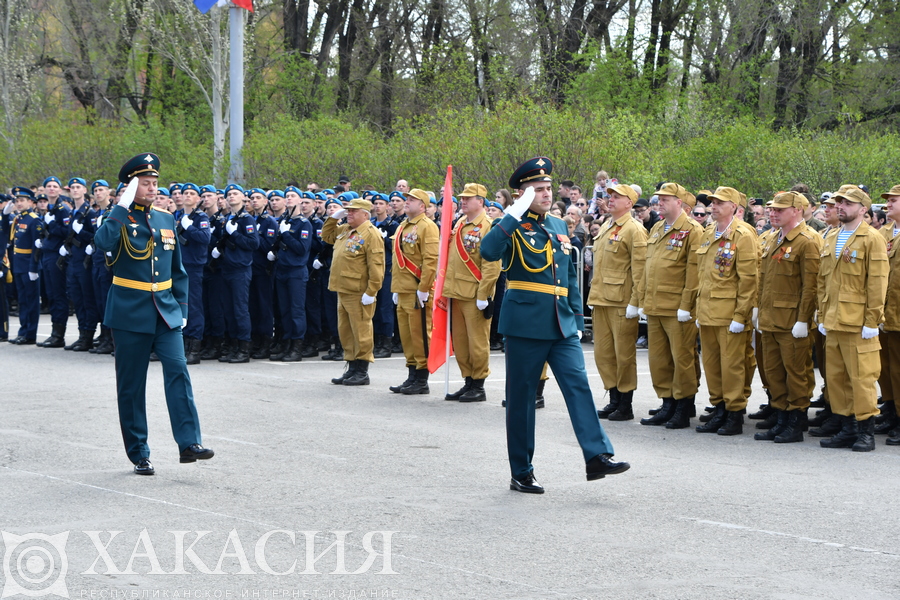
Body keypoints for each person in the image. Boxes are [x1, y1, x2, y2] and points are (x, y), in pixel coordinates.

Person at [480, 157, 629, 494]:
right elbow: (488, 252)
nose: (546, 194)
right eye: (538, 190)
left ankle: (597, 455)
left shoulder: (560, 226)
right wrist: (512, 214)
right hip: (525, 324)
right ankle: (522, 470)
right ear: (521, 194)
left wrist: (576, 319)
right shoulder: (509, 225)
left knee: (579, 387)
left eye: (548, 189)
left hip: (561, 324)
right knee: (521, 401)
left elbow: (569, 280)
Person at [94, 153, 213, 476]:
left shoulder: (164, 218)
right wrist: (120, 206)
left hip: (166, 310)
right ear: (131, 187)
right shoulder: (116, 218)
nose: (152, 188)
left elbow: (178, 270)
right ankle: (139, 452)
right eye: (145, 184)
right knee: (131, 386)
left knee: (178, 372)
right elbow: (101, 243)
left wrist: (183, 307)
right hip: (130, 311)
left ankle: (189, 442)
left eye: (154, 183)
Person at [817, 185, 888, 452]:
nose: (840, 207)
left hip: (858, 321)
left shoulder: (871, 238)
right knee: (836, 378)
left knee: (862, 378)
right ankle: (847, 428)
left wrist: (872, 321)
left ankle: (866, 431)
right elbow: (823, 280)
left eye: (847, 203)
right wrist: (822, 315)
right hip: (834, 319)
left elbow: (878, 283)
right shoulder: (832, 236)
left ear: (862, 209)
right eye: (838, 203)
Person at [753, 192, 822, 443]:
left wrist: (804, 319)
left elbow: (810, 286)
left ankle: (795, 419)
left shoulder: (807, 241)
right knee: (773, 372)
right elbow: (765, 279)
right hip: (771, 318)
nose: (773, 213)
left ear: (797, 210)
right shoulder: (773, 238)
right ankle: (780, 416)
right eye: (772, 209)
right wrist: (757, 309)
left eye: (780, 210)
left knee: (796, 373)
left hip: (792, 321)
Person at [634, 182, 703, 428]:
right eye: (659, 199)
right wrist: (642, 300)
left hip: (677, 308)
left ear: (679, 203)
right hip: (655, 305)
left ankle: (683, 406)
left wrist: (687, 305)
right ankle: (667, 402)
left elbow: (693, 272)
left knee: (682, 358)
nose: (659, 202)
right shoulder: (657, 228)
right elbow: (648, 267)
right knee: (659, 359)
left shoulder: (692, 230)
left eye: (665, 199)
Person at [693, 186, 759, 436]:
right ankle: (718, 407)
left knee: (732, 366)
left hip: (730, 313)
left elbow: (748, 278)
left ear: (734, 207)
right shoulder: (709, 232)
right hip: (708, 310)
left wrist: (741, 316)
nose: (714, 206)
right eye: (712, 202)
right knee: (711, 364)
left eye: (720, 203)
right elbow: (703, 274)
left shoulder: (743, 234)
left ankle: (733, 412)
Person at [588, 183, 647, 421]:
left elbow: (640, 270)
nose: (610, 199)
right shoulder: (606, 225)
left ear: (629, 203)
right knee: (603, 354)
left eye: (617, 197)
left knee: (623, 355)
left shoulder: (634, 229)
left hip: (622, 302)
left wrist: (636, 302)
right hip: (602, 299)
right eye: (609, 196)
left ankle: (625, 403)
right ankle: (613, 397)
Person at [443, 183, 501, 403]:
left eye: (468, 198)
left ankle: (479, 383)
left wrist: (483, 295)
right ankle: (467, 380)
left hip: (474, 294)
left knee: (477, 341)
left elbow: (491, 265)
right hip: (456, 291)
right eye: (462, 198)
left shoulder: (488, 226)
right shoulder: (459, 224)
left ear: (481, 201)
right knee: (460, 341)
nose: (463, 201)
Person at [321, 197, 385, 385]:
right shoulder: (346, 230)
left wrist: (371, 291)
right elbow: (327, 236)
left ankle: (362, 370)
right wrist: (333, 218)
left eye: (353, 211)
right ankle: (351, 366)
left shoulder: (371, 234)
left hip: (359, 291)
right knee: (346, 331)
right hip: (343, 289)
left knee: (361, 331)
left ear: (365, 214)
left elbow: (376, 266)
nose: (349, 213)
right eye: (347, 211)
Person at [389, 188, 439, 395]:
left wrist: (424, 288)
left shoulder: (427, 227)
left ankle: (421, 378)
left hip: (417, 289)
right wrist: (396, 288)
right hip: (403, 289)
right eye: (406, 198)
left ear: (422, 206)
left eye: (411, 200)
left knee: (419, 335)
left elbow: (430, 260)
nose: (406, 202)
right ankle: (411, 375)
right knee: (407, 336)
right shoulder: (403, 225)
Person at [213, 184, 259, 363]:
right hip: (227, 268)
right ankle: (233, 346)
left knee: (240, 310)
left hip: (240, 269)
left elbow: (253, 244)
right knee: (229, 309)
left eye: (235, 194)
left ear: (242, 197)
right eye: (229, 194)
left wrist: (235, 234)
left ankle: (244, 348)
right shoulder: (227, 217)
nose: (231, 197)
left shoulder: (246, 219)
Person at [271, 186, 313, 362]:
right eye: (287, 196)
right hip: (282, 269)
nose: (288, 198)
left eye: (292, 196)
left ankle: (297, 346)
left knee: (296, 310)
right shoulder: (284, 220)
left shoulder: (304, 224)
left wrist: (286, 234)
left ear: (300, 201)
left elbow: (301, 249)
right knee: (284, 310)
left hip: (296, 271)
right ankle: (287, 344)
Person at [7, 187, 43, 344]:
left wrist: (33, 267)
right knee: (22, 299)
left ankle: (30, 334)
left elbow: (37, 247)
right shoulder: (19, 218)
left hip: (29, 265)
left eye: (22, 200)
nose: (19, 203)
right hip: (19, 265)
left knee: (31, 300)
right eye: (17, 201)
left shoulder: (34, 219)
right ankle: (23, 330)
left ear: (30, 202)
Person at [879, 185, 900, 445]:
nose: (889, 203)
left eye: (894, 200)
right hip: (884, 314)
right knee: (885, 369)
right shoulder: (884, 233)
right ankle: (892, 412)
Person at [370, 193, 399, 358]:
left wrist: (385, 239)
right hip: (374, 268)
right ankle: (376, 341)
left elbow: (396, 248)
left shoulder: (392, 225)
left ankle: (386, 344)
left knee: (385, 308)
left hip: (387, 269)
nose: (378, 206)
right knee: (374, 308)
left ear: (387, 206)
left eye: (381, 203)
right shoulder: (371, 223)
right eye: (376, 203)